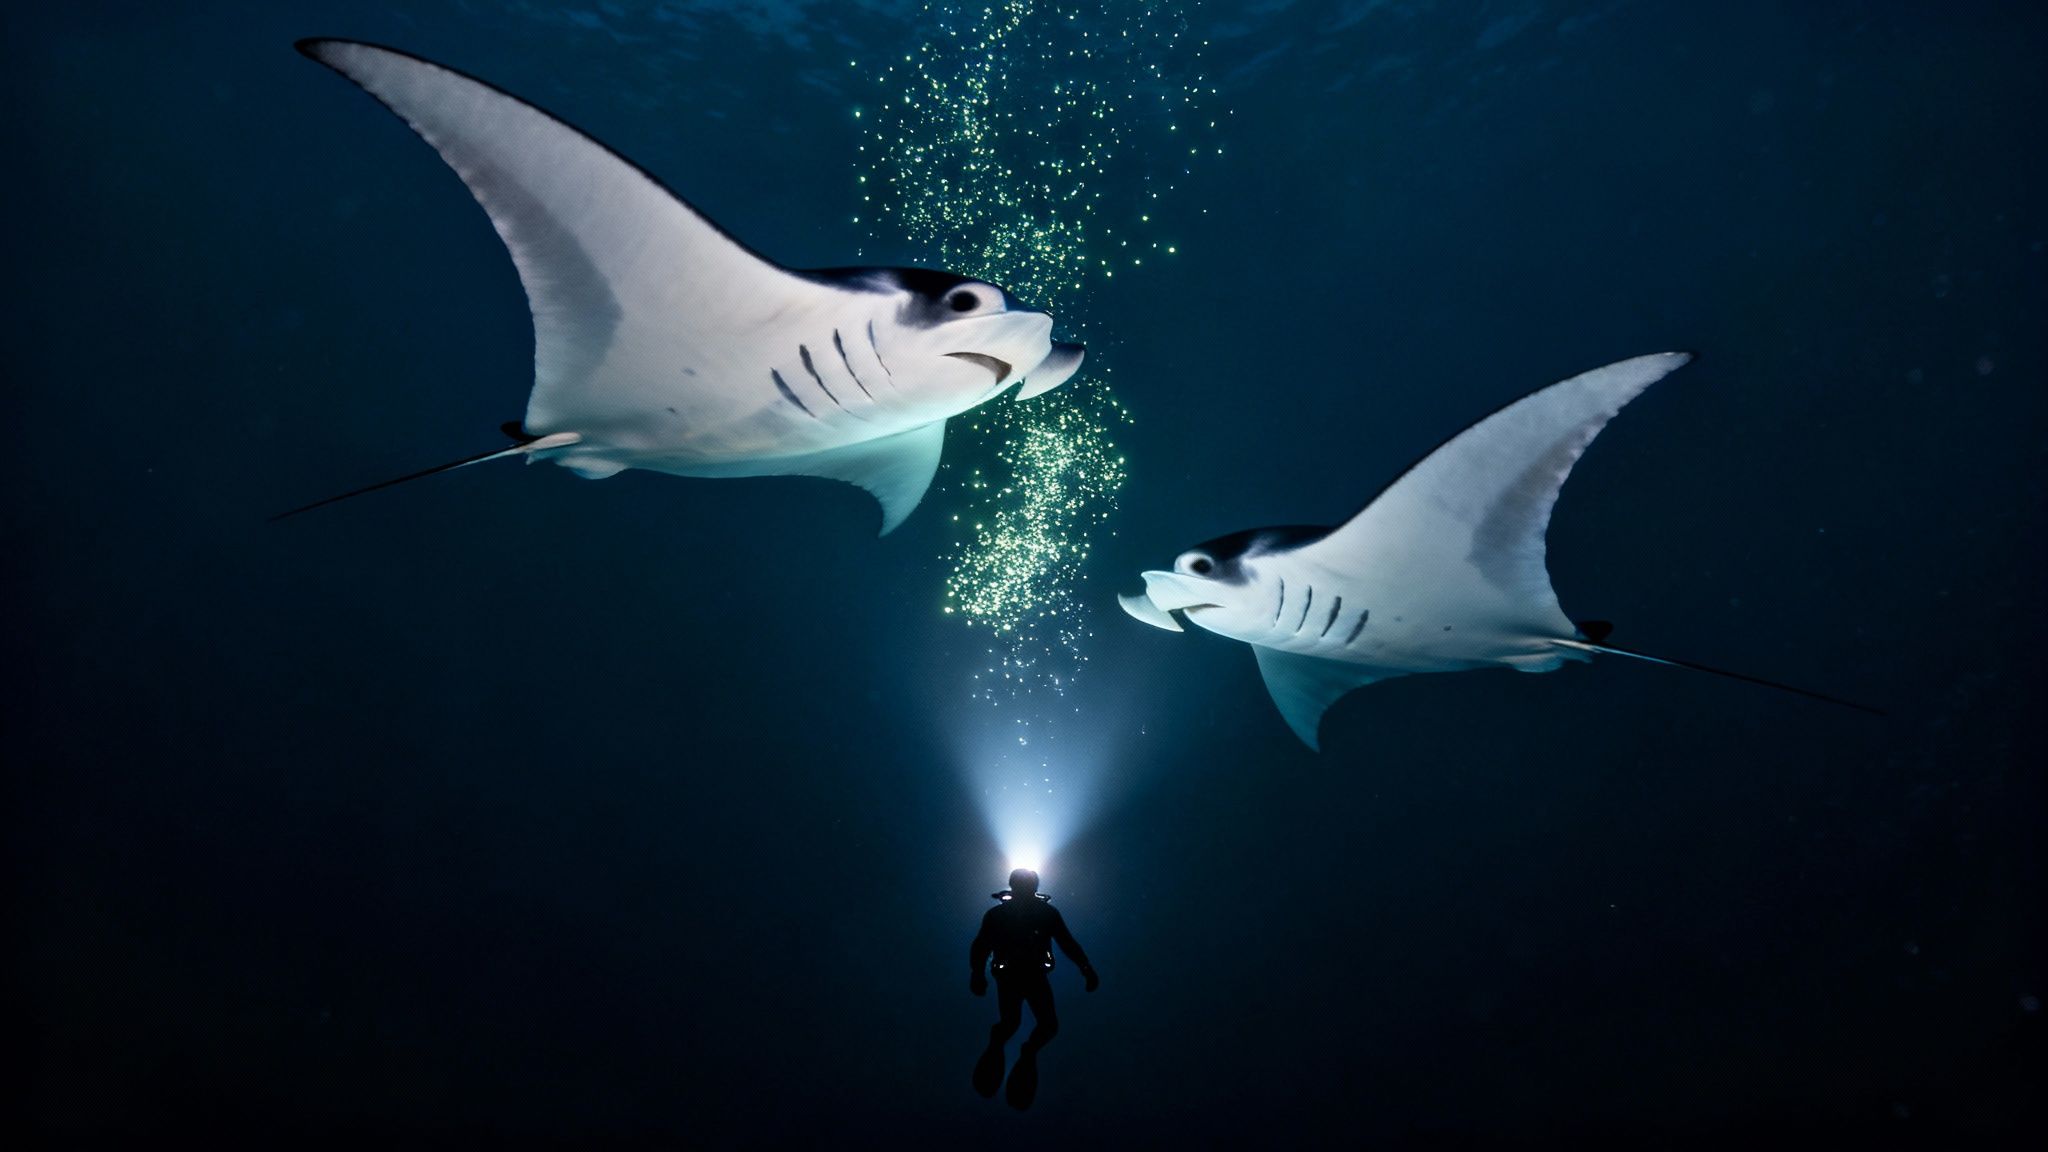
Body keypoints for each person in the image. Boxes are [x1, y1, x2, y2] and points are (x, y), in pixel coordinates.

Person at [969, 868, 1098, 1109]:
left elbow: (1067, 943)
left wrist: (1086, 968)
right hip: (1020, 976)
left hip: (1021, 975)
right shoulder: (1037, 914)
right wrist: (1086, 969)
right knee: (1034, 1024)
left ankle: (1014, 1049)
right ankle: (1015, 1049)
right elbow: (981, 946)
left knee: (1031, 1024)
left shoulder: (1013, 914)